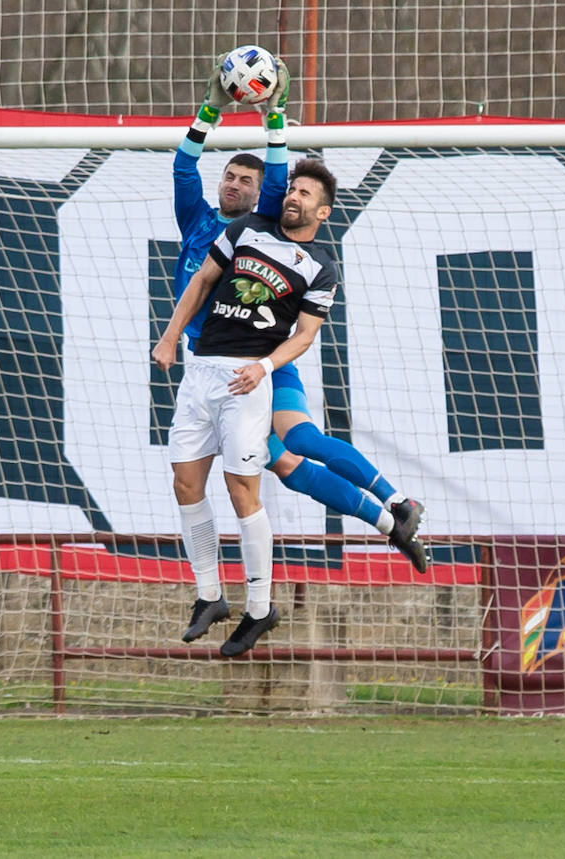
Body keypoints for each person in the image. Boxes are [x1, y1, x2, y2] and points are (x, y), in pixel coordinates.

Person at [167, 59, 428, 648]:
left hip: (260, 363)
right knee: (285, 466)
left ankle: (396, 502)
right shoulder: (200, 223)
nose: (234, 185)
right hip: (209, 368)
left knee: (299, 445)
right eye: (228, 177)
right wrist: (210, 108)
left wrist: (272, 114)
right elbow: (185, 163)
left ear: (268, 193)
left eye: (247, 180)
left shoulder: (267, 226)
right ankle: (393, 524)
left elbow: (283, 172)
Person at [153, 157, 345, 657]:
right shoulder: (244, 228)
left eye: (305, 194)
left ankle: (260, 607)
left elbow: (305, 336)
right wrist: (171, 338)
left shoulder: (321, 266)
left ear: (321, 212)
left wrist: (264, 367)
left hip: (247, 379)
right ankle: (210, 595)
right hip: (201, 371)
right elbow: (200, 283)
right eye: (293, 189)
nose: (294, 197)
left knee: (241, 489)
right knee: (185, 481)